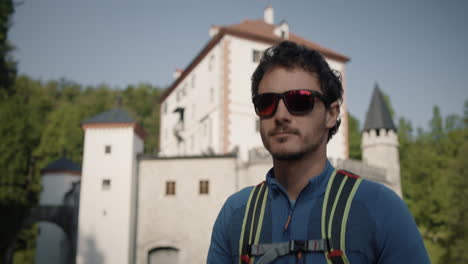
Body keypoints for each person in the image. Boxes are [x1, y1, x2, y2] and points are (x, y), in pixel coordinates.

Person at [207, 41, 430, 263]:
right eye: (267, 103)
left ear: (331, 114)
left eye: (300, 100)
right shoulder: (235, 214)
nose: (281, 115)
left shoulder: (380, 208)